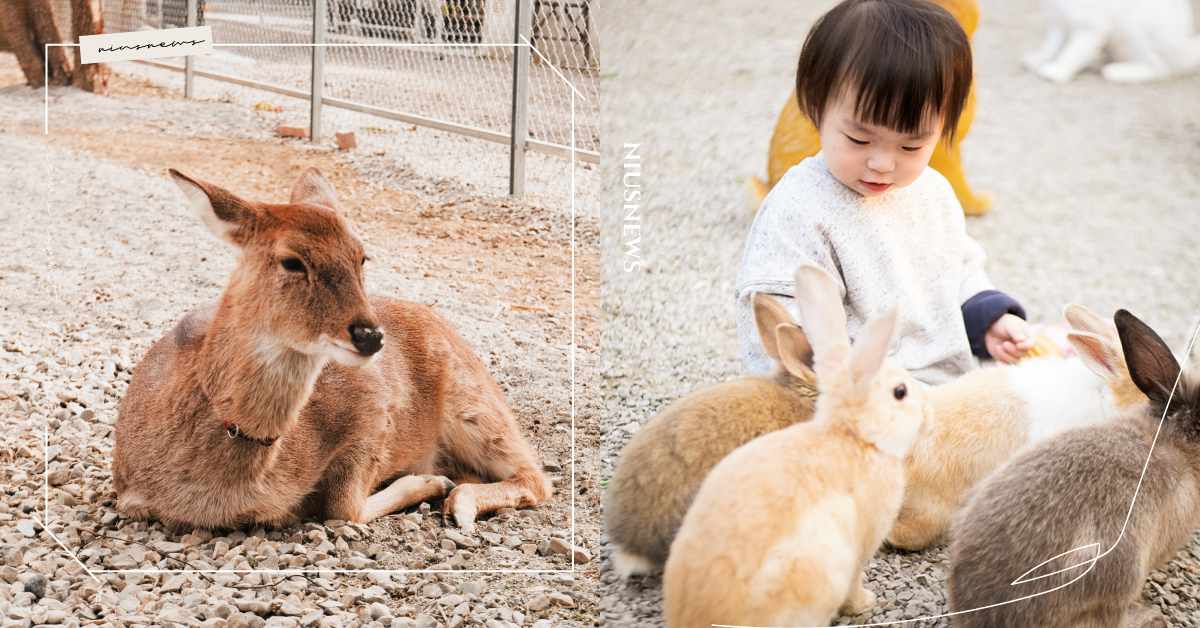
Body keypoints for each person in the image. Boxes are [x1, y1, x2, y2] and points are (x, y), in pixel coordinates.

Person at [735, 0, 1031, 385]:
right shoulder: (799, 209)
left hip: (944, 391)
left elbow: (958, 269)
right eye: (859, 139)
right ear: (815, 107)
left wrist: (988, 322)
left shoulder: (932, 192)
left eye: (911, 146)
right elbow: (777, 320)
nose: (883, 163)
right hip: (852, 398)